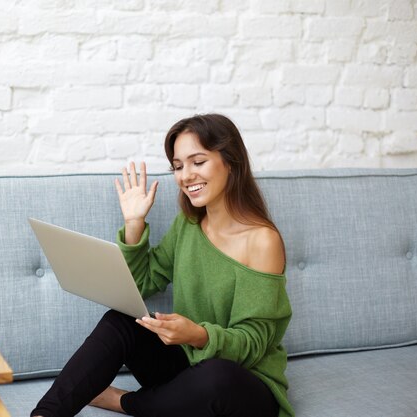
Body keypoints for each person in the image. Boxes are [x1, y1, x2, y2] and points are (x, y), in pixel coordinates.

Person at [31, 114, 294, 417]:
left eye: (198, 162)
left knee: (217, 377)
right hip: (188, 366)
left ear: (230, 161)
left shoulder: (262, 240)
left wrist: (198, 335)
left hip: (243, 384)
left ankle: (123, 402)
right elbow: (141, 284)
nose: (186, 176)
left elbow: (255, 342)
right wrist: (134, 223)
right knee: (123, 321)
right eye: (178, 166)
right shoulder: (188, 224)